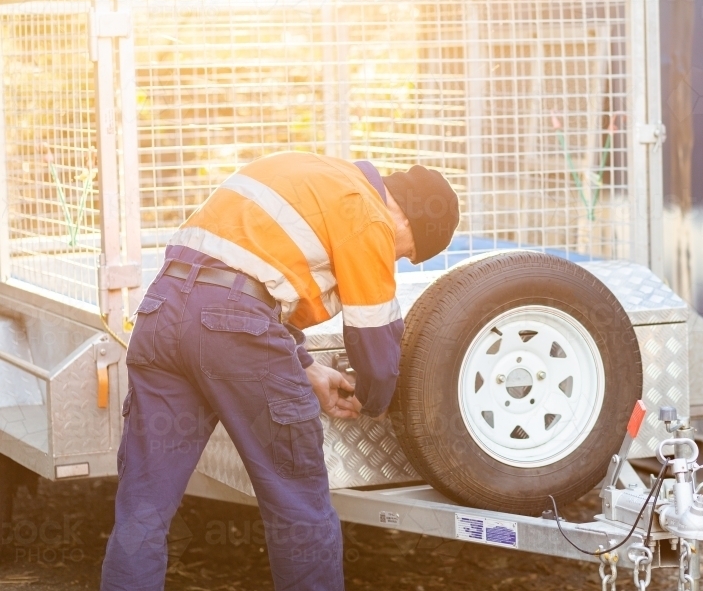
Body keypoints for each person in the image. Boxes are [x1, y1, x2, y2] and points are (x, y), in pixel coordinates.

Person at [101, 152, 460, 591]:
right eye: (406, 254)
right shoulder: (368, 213)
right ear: (407, 222)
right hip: (234, 330)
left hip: (160, 313)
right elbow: (374, 335)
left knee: (143, 508)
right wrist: (378, 400)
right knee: (299, 509)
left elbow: (243, 278)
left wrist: (306, 367)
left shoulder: (309, 172)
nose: (396, 259)